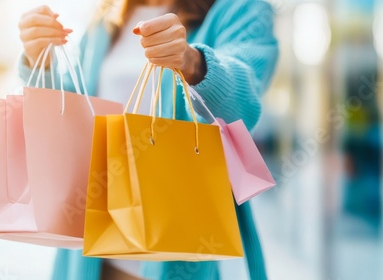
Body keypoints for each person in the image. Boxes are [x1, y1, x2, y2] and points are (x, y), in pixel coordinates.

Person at [18, 0, 278, 279]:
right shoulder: (108, 16)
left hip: (183, 251)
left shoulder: (241, 9)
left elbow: (242, 103)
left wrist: (191, 62)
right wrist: (40, 62)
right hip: (93, 251)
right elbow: (77, 112)